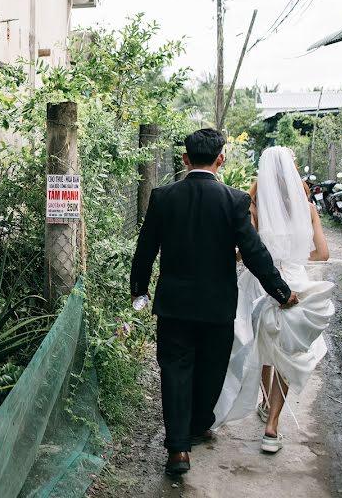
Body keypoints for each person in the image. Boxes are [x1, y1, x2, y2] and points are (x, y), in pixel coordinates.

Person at [129, 129, 297, 476]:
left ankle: (178, 451)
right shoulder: (234, 201)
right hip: (217, 307)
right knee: (210, 371)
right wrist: (281, 291)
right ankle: (196, 425)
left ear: (185, 159)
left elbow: (145, 249)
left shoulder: (163, 197)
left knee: (175, 372)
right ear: (221, 158)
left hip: (174, 305)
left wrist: (139, 290)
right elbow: (253, 253)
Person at [212, 146, 334, 453]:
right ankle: (272, 428)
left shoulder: (253, 208)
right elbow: (322, 253)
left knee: (262, 346)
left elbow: (244, 254)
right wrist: (292, 255)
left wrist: (260, 254)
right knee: (287, 354)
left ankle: (265, 402)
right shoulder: (307, 209)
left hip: (259, 285)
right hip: (295, 284)